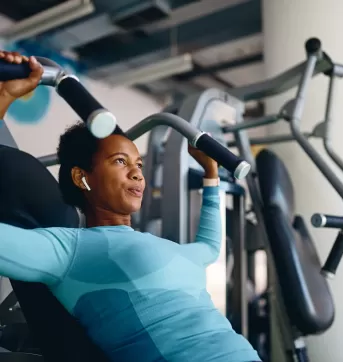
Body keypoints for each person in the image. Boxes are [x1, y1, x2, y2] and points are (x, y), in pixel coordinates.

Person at [0, 51, 261, 362]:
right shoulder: (72, 249)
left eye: (138, 163)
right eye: (120, 161)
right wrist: (3, 97)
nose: (138, 172)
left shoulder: (171, 249)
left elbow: (209, 247)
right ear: (83, 178)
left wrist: (211, 176)